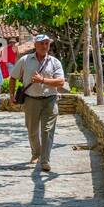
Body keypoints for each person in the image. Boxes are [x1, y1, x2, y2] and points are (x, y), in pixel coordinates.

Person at [12, 33, 68, 172]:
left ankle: (45, 160)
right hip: (31, 100)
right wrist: (11, 95)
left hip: (50, 99)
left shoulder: (55, 62)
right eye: (42, 43)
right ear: (35, 45)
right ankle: (36, 153)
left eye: (47, 43)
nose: (44, 46)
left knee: (47, 131)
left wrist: (42, 80)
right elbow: (13, 77)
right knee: (32, 130)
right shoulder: (25, 60)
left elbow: (61, 82)